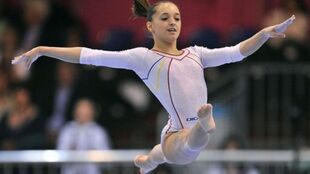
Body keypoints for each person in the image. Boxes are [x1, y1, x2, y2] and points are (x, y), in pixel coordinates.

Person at [11, 0, 295, 173]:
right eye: (165, 18)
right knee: (194, 139)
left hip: (173, 132)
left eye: (177, 18)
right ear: (150, 27)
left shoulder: (195, 53)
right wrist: (42, 49)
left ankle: (150, 159)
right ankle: (200, 127)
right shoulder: (143, 58)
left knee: (169, 150)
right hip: (178, 134)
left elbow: (238, 51)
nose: (173, 22)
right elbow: (89, 54)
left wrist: (265, 33)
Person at [57, 98, 111, 174]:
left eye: (86, 109)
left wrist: (97, 155)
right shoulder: (67, 130)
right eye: (80, 109)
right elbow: (59, 155)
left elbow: (108, 161)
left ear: (92, 112)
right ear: (75, 111)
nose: (82, 112)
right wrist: (69, 152)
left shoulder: (99, 132)